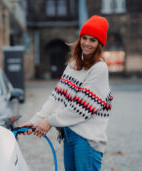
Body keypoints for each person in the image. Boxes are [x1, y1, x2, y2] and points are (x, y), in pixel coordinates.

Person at [19, 15, 113, 171]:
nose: (87, 43)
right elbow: (57, 97)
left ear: (99, 44)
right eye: (85, 38)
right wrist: (35, 121)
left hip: (86, 139)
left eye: (93, 40)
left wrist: (49, 122)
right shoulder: (74, 64)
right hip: (69, 134)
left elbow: (80, 107)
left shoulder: (99, 68)